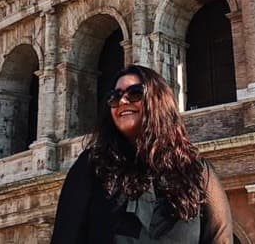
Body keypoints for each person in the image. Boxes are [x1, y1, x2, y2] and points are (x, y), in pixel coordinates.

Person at [51, 64, 233, 243]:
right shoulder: (93, 165)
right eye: (115, 97)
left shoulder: (197, 172)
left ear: (158, 101)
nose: (122, 101)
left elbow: (221, 239)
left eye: (135, 93)